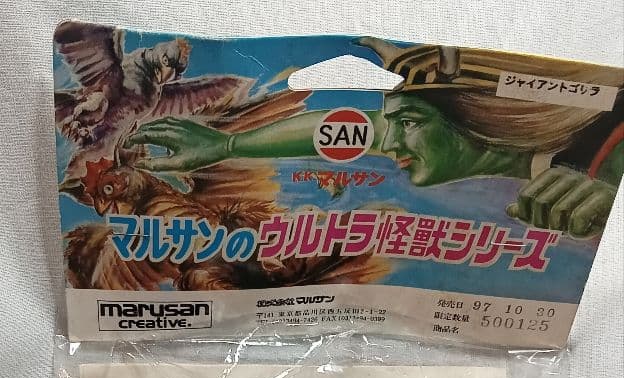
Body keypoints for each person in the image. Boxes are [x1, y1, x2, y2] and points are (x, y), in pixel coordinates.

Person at [126, 41, 623, 238]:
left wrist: (605, 198)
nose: (389, 142)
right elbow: (344, 128)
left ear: (475, 119)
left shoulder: (606, 147)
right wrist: (227, 146)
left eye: (407, 124)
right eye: (392, 125)